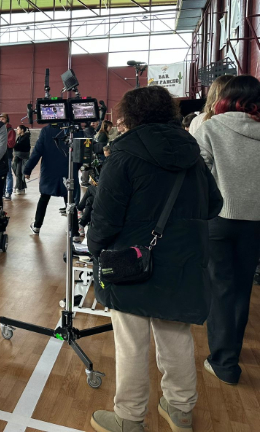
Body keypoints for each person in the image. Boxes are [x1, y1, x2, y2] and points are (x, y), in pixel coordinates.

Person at [88, 85, 222, 432]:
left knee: (132, 343)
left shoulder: (124, 155)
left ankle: (129, 417)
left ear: (130, 116)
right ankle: (180, 409)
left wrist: (96, 250)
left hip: (132, 261)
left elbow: (104, 219)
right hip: (184, 261)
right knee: (176, 336)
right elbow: (214, 204)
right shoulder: (191, 153)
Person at [195, 75, 260, 385]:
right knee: (242, 289)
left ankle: (224, 362)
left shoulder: (211, 127)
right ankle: (230, 352)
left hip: (219, 219)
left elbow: (198, 174)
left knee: (221, 288)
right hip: (255, 221)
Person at [23, 123, 81, 235]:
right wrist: (75, 168)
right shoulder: (74, 130)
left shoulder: (46, 131)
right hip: (68, 171)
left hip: (49, 172)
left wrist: (27, 169)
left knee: (44, 198)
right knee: (70, 200)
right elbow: (80, 152)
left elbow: (37, 152)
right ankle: (74, 233)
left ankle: (37, 226)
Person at [0, 113, 16, 199]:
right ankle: (2, 192)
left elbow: (11, 143)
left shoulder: (10, 130)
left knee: (8, 174)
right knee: (1, 174)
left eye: (3, 118)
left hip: (7, 155)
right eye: (0, 119)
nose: (1, 120)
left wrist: (1, 144)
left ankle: (8, 192)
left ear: (7, 120)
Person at [12, 125, 31, 194]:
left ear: (22, 130)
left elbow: (18, 146)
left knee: (21, 172)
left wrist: (15, 145)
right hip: (18, 157)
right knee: (17, 172)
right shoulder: (19, 137)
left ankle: (20, 187)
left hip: (23, 157)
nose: (17, 130)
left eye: (18, 129)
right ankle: (19, 186)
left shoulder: (25, 138)